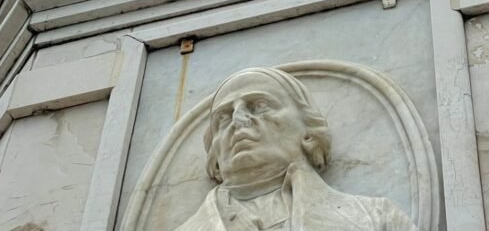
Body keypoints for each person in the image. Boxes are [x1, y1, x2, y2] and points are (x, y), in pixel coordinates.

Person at [175, 67, 418, 231]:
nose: (239, 121)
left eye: (259, 105)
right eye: (224, 117)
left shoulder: (376, 219)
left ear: (309, 132)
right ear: (214, 158)